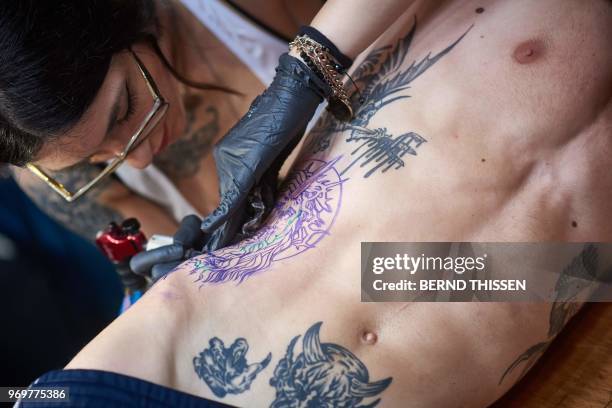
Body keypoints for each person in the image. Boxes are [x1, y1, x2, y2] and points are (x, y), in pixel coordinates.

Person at [21, 0, 612, 406]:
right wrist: (163, 274)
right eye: (90, 164)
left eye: (125, 108)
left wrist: (302, 73)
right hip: (521, 268)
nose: (135, 155)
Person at [2, 0, 324, 240]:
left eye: (123, 111)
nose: (139, 160)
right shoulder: (58, 183)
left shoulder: (230, 11)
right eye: (93, 158)